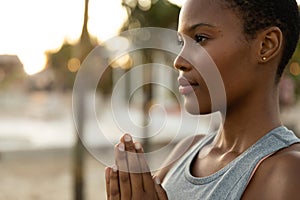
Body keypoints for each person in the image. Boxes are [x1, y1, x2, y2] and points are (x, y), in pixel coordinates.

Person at [105, 0, 300, 199]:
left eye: (200, 38)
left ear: (266, 45)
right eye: (181, 43)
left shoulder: (288, 173)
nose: (179, 61)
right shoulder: (187, 150)